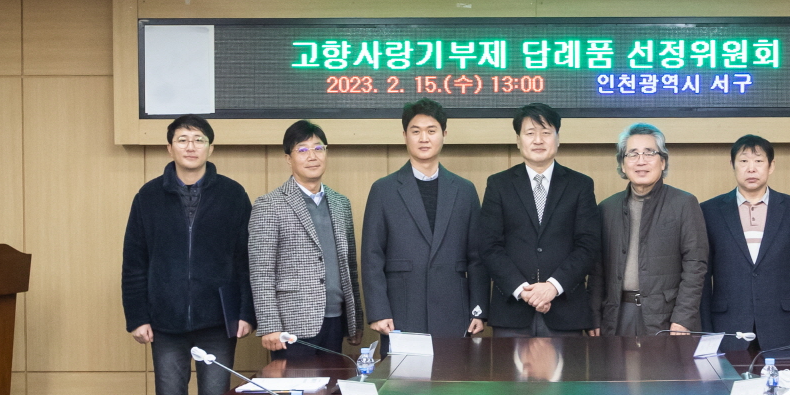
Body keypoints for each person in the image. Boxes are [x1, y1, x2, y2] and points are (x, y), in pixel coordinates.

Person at [121, 115, 254, 395]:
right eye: (182, 140)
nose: (190, 147)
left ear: (211, 148)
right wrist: (137, 317)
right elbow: (134, 262)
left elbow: (247, 259)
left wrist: (246, 313)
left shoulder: (233, 194)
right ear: (170, 148)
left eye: (198, 140)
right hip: (165, 322)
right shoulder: (148, 196)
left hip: (217, 321)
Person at [363, 99, 489, 339]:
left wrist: (479, 310)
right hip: (402, 310)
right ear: (404, 136)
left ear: (444, 135)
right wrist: (378, 311)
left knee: (453, 365)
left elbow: (477, 258)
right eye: (416, 131)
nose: (424, 138)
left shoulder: (465, 190)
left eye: (431, 131)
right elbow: (372, 256)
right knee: (402, 366)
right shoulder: (383, 190)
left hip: (455, 310)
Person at [479, 103, 600, 337]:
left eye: (546, 132)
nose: (538, 140)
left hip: (565, 311)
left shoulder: (580, 185)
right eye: (530, 133)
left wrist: (553, 287)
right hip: (512, 311)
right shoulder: (499, 184)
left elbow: (588, 245)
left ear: (558, 138)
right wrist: (523, 291)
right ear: (518, 140)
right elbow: (489, 246)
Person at [249, 120, 363, 360]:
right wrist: (269, 325)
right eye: (302, 149)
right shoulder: (269, 205)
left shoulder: (341, 203)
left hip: (336, 320)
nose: (312, 156)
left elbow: (349, 267)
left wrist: (355, 321)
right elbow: (261, 272)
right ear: (288, 158)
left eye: (318, 148)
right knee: (296, 385)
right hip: (291, 326)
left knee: (333, 384)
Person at [699, 135, 790, 352]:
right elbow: (703, 278)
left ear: (771, 166)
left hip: (783, 327)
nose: (751, 168)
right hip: (727, 327)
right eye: (744, 161)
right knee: (729, 376)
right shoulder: (709, 211)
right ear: (732, 165)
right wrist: (705, 332)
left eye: (759, 161)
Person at [591, 123, 707, 336]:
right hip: (616, 315)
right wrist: (593, 317)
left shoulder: (684, 203)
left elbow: (695, 265)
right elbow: (597, 270)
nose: (641, 161)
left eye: (649, 153)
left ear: (663, 162)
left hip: (667, 317)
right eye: (632, 154)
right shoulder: (607, 208)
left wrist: (682, 319)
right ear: (623, 164)